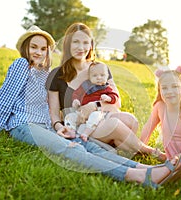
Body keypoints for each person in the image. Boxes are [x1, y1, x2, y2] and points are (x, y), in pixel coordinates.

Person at [0, 25, 181, 189]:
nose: (38, 52)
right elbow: (3, 100)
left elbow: (51, 110)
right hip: (24, 124)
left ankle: (148, 168)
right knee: (70, 148)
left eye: (43, 48)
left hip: (48, 126)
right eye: (33, 47)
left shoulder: (45, 73)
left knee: (89, 146)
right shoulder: (21, 66)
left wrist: (59, 126)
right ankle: (137, 176)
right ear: (24, 49)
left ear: (49, 51)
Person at [46, 22, 166, 160]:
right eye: (76, 42)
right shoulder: (57, 75)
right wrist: (58, 127)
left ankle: (116, 146)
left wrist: (94, 105)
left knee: (131, 121)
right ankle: (151, 152)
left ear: (91, 45)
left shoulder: (99, 69)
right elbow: (54, 113)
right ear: (68, 44)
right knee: (114, 125)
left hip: (102, 116)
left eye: (85, 42)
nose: (81, 47)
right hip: (80, 125)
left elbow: (117, 102)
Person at [65, 61, 120, 141]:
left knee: (95, 117)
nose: (99, 78)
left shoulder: (106, 88)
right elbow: (76, 94)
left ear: (107, 76)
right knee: (69, 117)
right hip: (82, 111)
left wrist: (108, 98)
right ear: (89, 77)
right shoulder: (85, 86)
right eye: (94, 75)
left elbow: (115, 97)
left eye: (102, 75)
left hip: (97, 111)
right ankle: (71, 131)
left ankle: (86, 133)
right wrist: (76, 100)